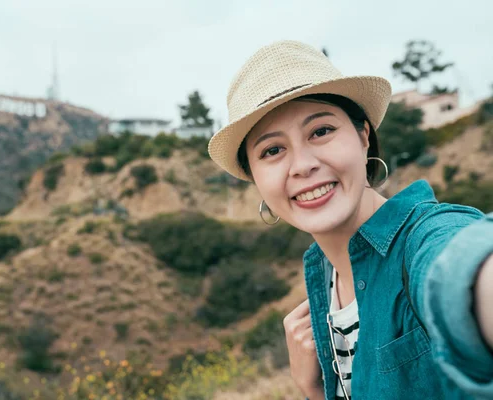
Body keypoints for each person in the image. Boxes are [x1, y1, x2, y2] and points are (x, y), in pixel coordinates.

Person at [207, 40, 493, 400]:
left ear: (363, 136)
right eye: (273, 150)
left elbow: (460, 265)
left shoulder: (426, 240)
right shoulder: (326, 278)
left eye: (321, 131)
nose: (303, 164)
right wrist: (314, 389)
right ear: (255, 178)